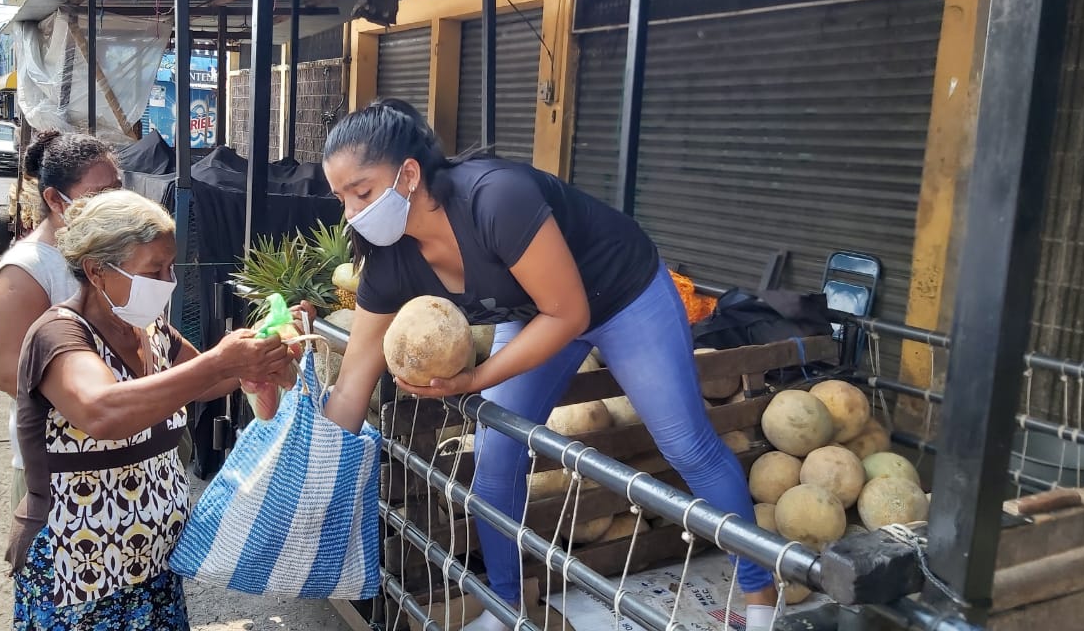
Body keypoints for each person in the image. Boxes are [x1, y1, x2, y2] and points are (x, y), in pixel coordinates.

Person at [318, 99, 777, 631]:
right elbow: (352, 386)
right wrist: (314, 475)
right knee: (494, 458)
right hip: (540, 311)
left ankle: (761, 600)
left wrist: (474, 381)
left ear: (410, 174)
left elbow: (571, 311)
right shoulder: (391, 258)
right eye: (341, 199)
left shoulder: (494, 198)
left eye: (363, 192)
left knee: (685, 444)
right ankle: (506, 608)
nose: (353, 213)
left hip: (621, 295)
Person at [9, 189, 298, 629]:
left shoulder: (151, 331)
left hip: (153, 568)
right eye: (153, 270)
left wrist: (259, 354)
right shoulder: (59, 336)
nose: (167, 282)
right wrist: (221, 360)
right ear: (96, 271)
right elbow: (102, 412)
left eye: (170, 267)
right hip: (79, 576)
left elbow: (208, 381)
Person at [0, 130, 121, 511]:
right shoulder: (25, 272)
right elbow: (11, 375)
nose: (113, 204)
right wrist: (103, 397)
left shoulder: (110, 254)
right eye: (98, 196)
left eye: (118, 190)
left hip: (121, 456)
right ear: (55, 200)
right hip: (58, 469)